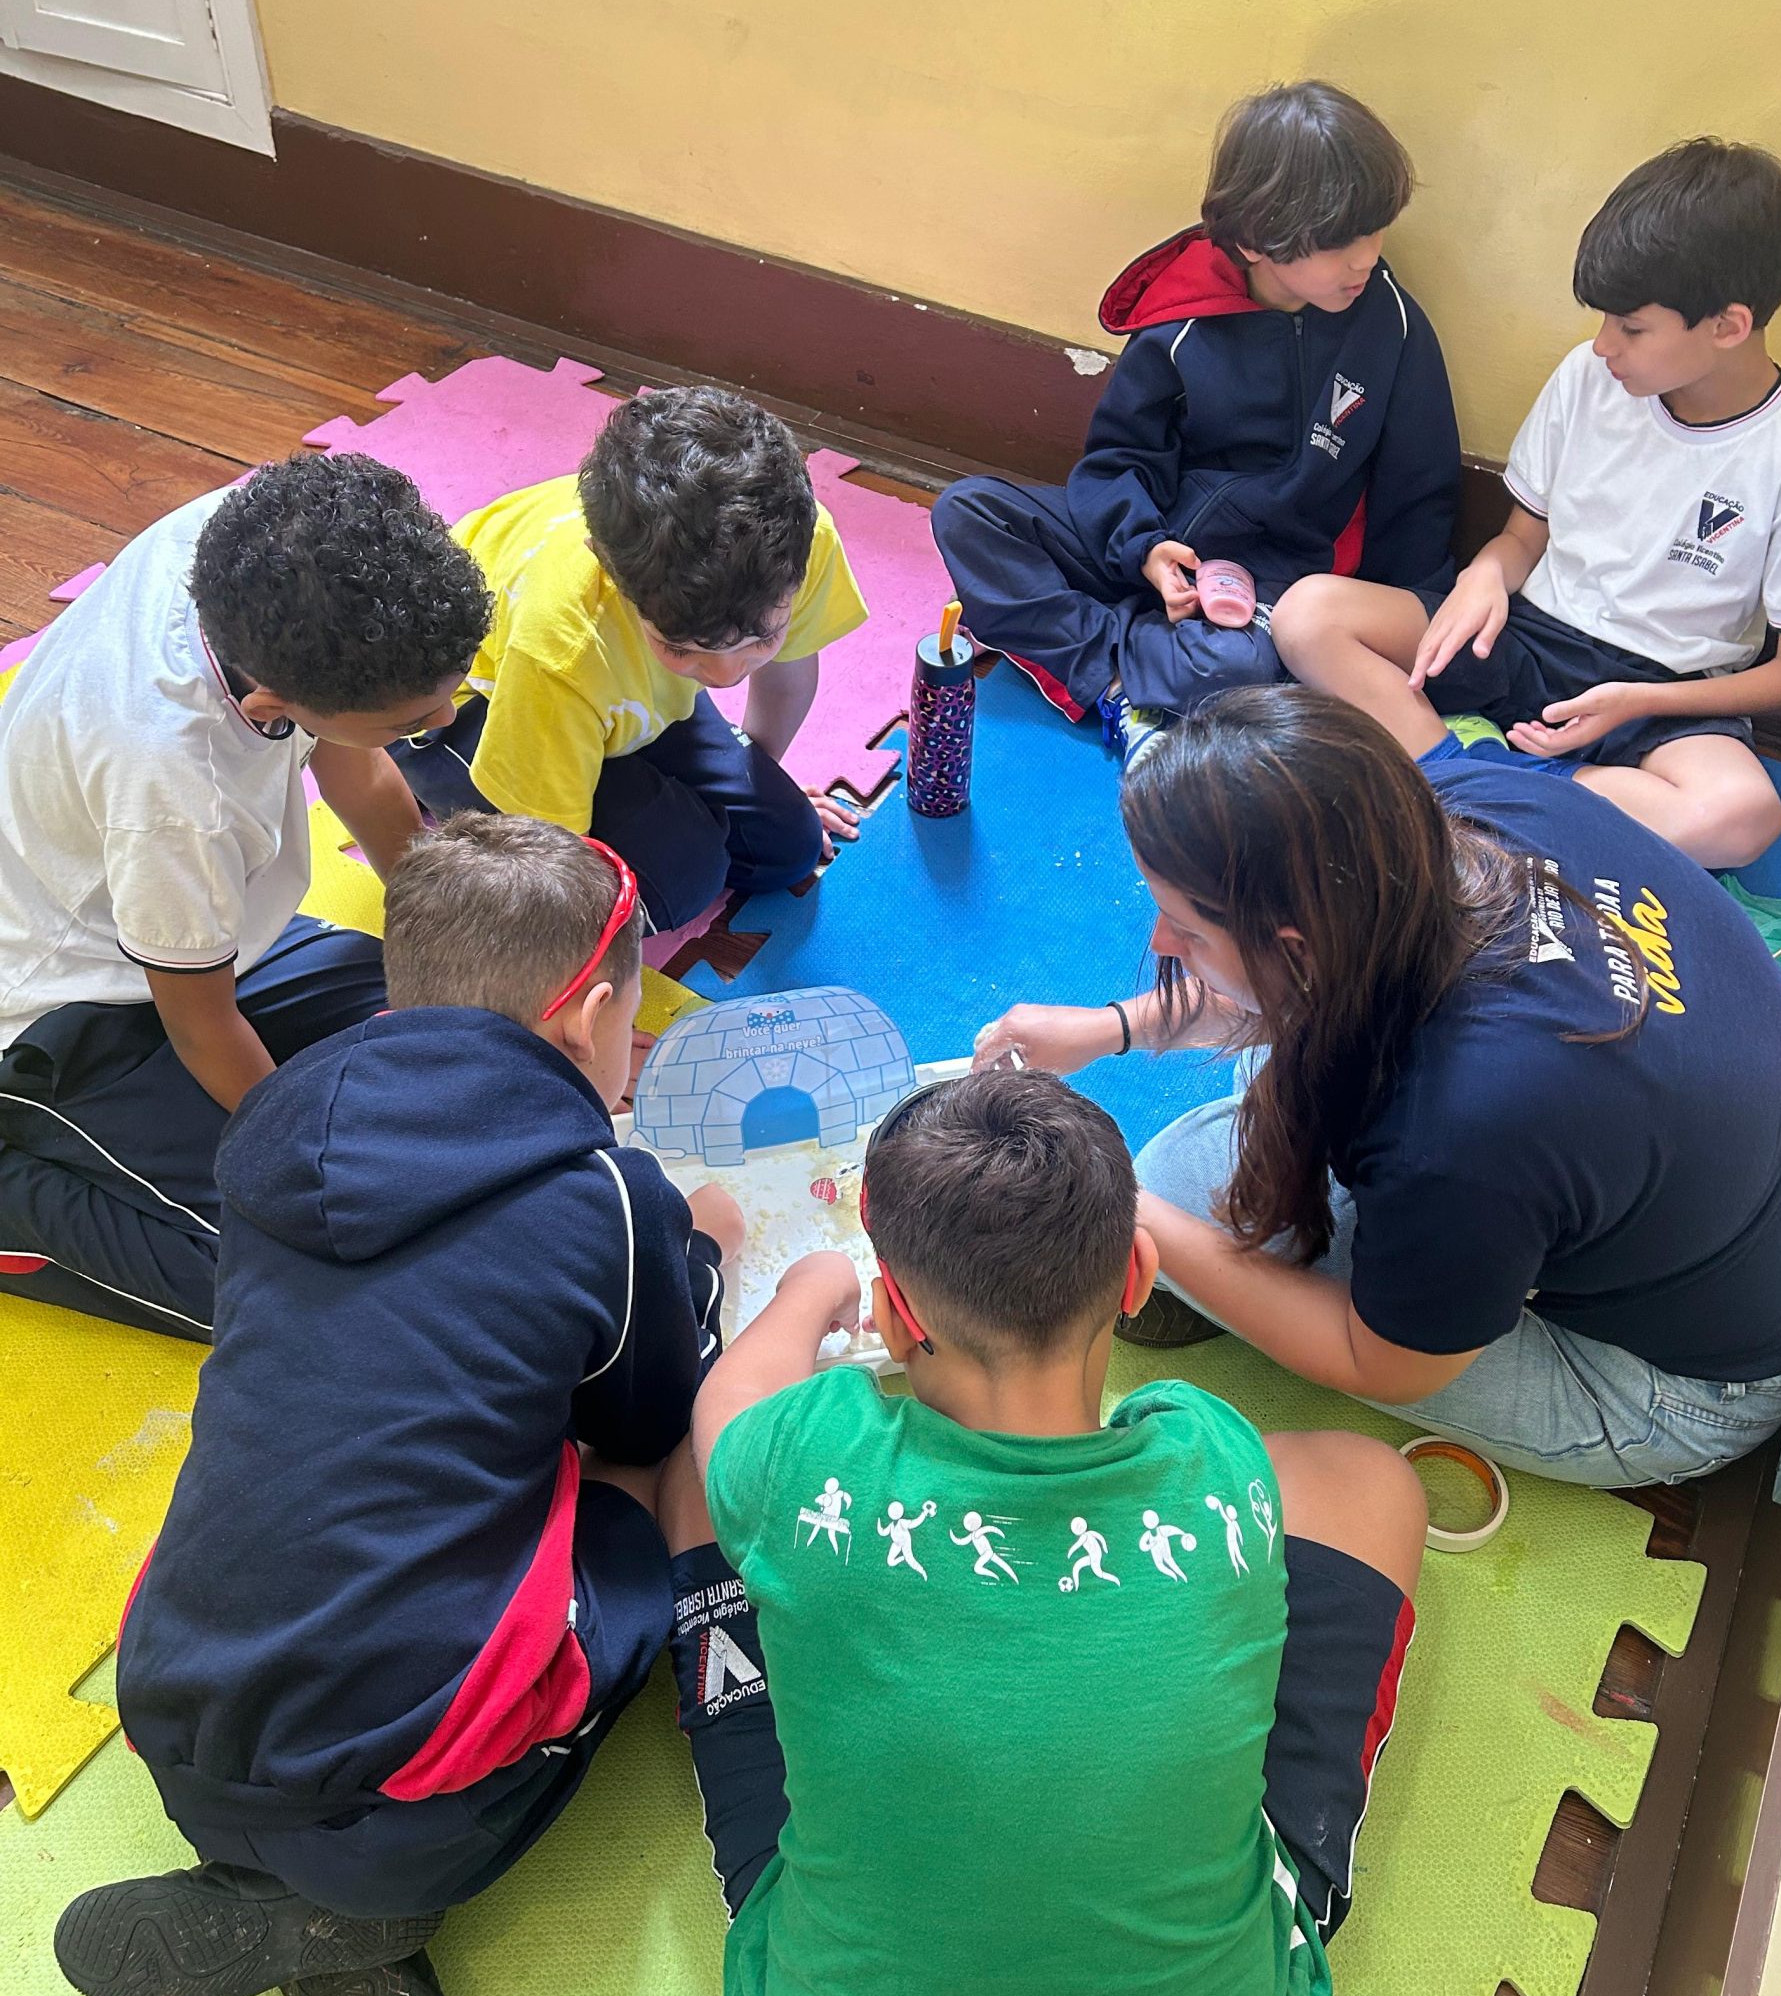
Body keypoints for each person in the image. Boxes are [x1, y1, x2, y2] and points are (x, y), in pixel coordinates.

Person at [54, 814, 745, 1996]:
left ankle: (286, 1896)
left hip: (175, 1706)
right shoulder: (605, 1197)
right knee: (649, 1507)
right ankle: (356, 1911)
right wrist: (694, 1250)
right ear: (591, 1017)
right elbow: (645, 1419)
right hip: (407, 1782)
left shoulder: (271, 1127)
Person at [658, 1069, 1425, 1996]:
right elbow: (1303, 1491)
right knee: (1373, 1480)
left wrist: (811, 1290)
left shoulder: (807, 1458)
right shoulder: (1212, 1454)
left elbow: (726, 1406)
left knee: (696, 1487)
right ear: (1138, 1277)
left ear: (894, 1317)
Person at [974, 692, 1781, 1489]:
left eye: (1188, 927)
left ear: (1297, 947)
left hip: (1695, 1384)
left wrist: (1118, 1205)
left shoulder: (1466, 1125)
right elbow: (1301, 985)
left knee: (1172, 1187)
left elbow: (1384, 1363)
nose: (1160, 944)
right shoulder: (1460, 810)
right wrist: (1110, 1028)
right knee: (1244, 1138)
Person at [0, 454, 492, 1340]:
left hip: (190, 929)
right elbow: (201, 1024)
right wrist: (308, 1169)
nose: (446, 723)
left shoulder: (263, 542)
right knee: (292, 1281)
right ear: (273, 701)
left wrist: (480, 965)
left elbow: (357, 765)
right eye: (412, 722)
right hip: (61, 1007)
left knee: (459, 1030)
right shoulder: (173, 786)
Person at [1268, 139, 1781, 867]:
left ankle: (1470, 784)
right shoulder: (1588, 377)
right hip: (1527, 640)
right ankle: (1475, 779)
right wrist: (1484, 576)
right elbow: (1522, 537)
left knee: (1741, 816)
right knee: (1305, 615)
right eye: (1604, 320)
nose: (1605, 346)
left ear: (1728, 326)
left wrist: (1638, 702)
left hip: (1664, 694)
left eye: (1632, 328)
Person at [933, 81, 1460, 758]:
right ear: (1256, 240)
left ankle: (1116, 671)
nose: (1365, 257)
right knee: (967, 513)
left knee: (1237, 667)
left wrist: (1403, 624)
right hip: (1155, 549)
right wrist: (1145, 550)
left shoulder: (1393, 326)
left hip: (1276, 588)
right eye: (1336, 243)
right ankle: (1127, 673)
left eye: (1375, 229)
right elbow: (1120, 459)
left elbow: (1419, 490)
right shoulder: (1181, 323)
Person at [394, 385, 869, 933]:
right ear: (608, 571)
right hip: (473, 704)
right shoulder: (560, 648)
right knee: (680, 882)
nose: (726, 676)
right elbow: (551, 859)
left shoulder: (795, 544)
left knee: (787, 845)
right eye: (683, 646)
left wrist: (760, 780)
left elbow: (787, 677)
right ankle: (424, 775)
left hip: (615, 689)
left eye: (761, 639)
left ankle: (640, 718)